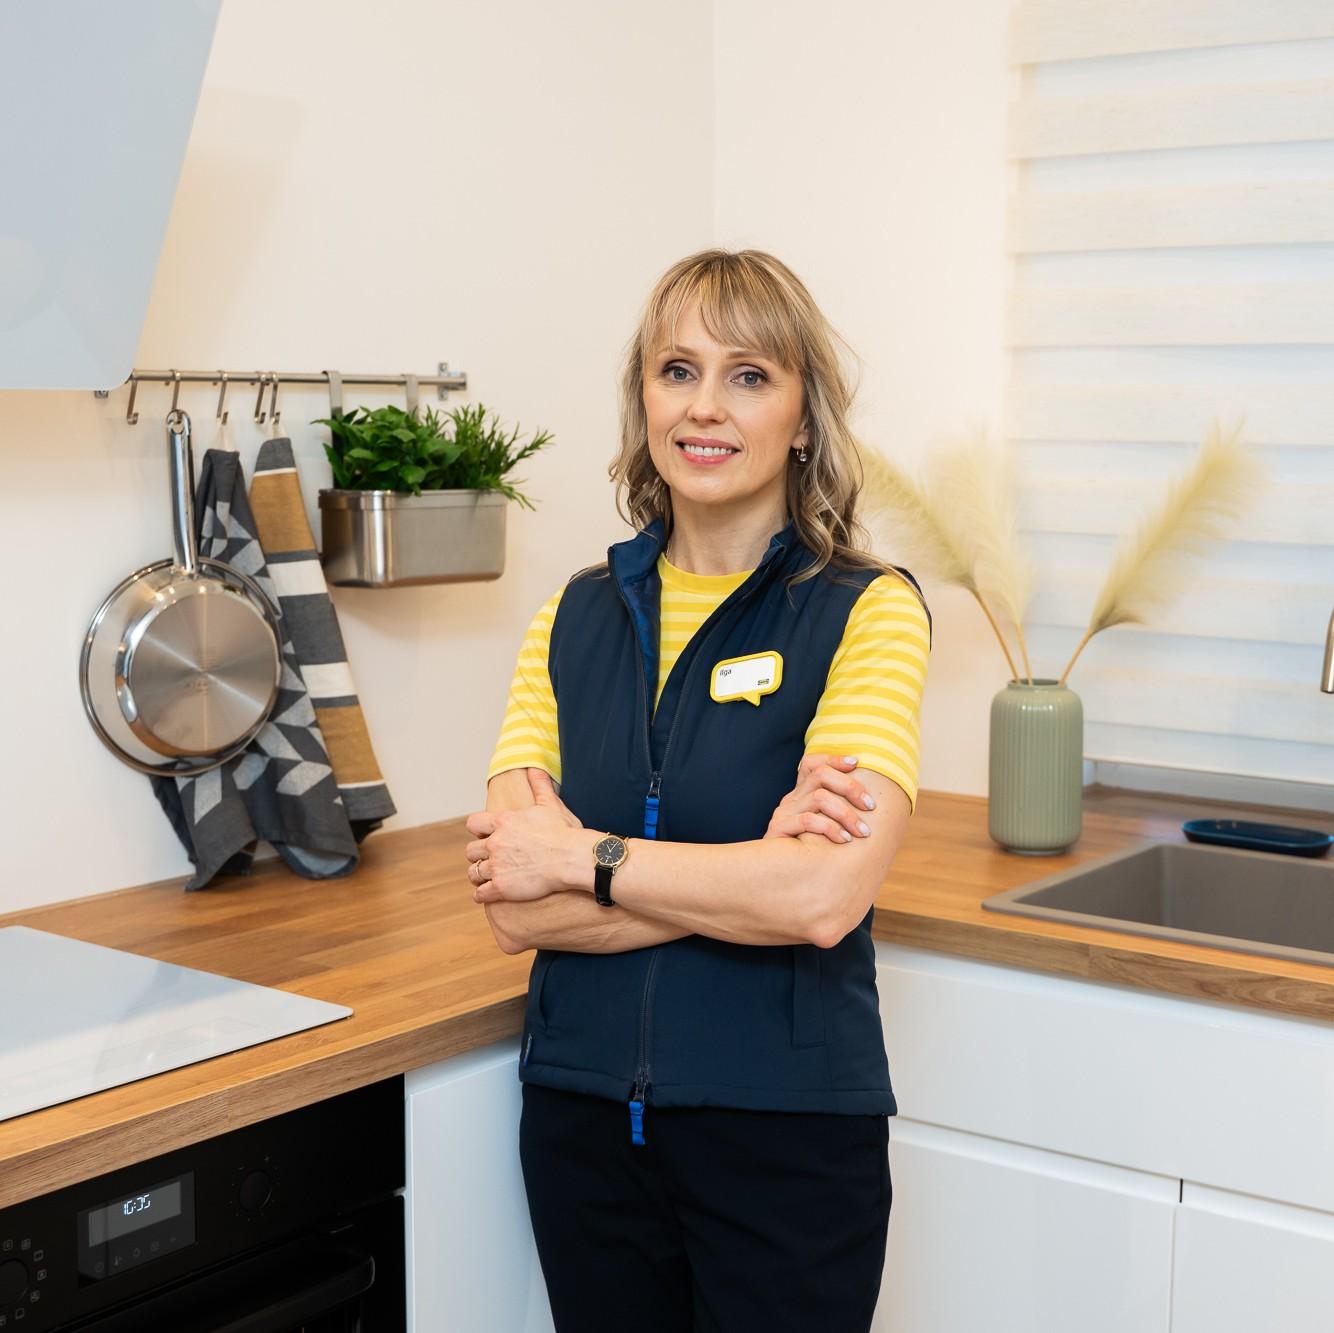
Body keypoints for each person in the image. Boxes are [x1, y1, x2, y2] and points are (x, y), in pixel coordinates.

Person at [465, 248, 932, 1332]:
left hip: (784, 1138)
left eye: (749, 375)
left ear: (804, 415)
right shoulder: (571, 616)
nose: (704, 407)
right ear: (642, 397)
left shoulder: (862, 612)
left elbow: (821, 901)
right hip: (582, 1132)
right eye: (676, 370)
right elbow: (511, 904)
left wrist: (590, 857)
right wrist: (747, 877)